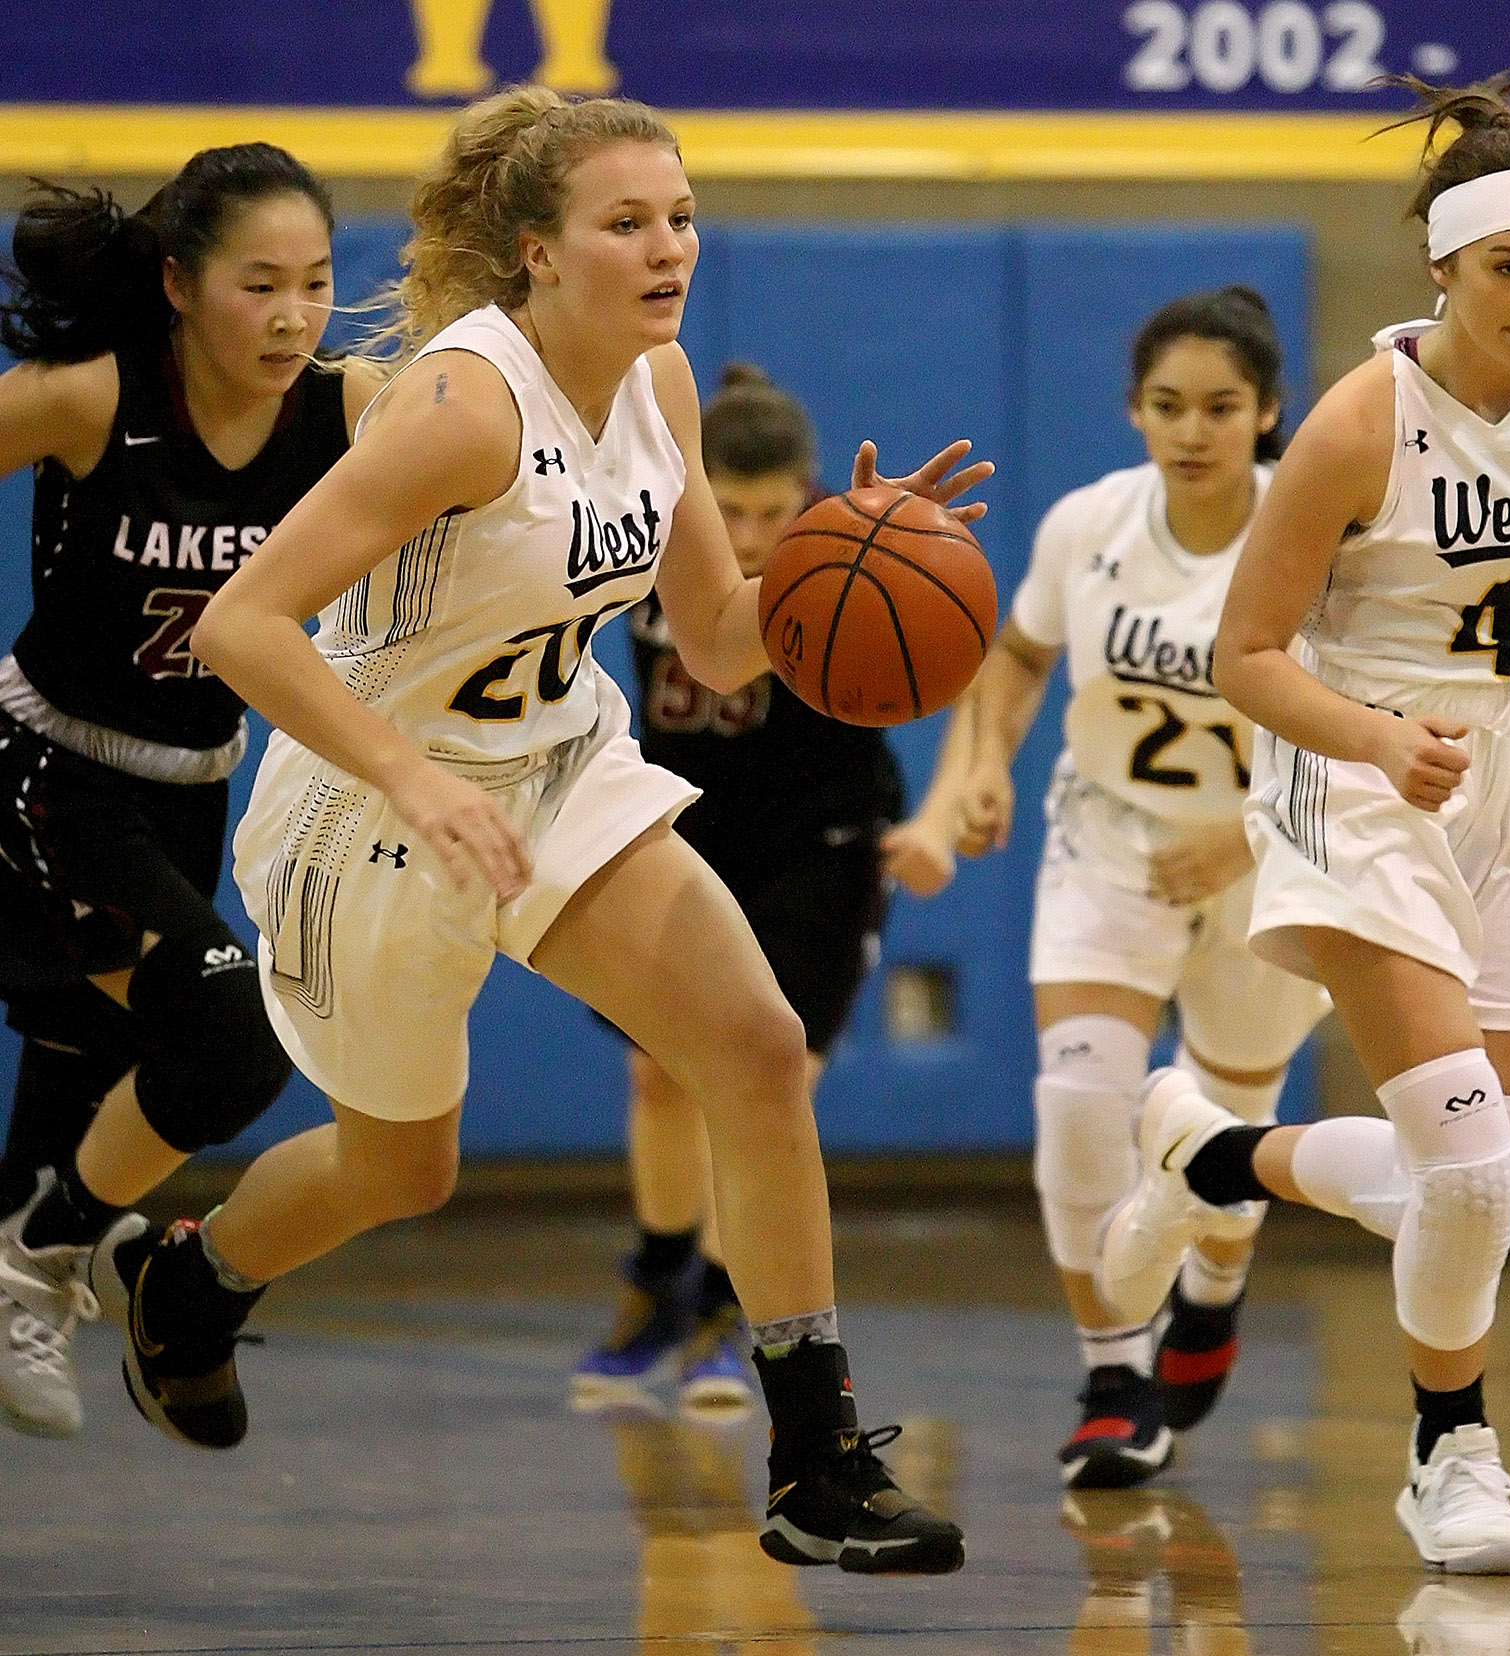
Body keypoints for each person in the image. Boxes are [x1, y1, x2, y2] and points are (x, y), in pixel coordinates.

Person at [115, 88, 985, 1577]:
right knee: (405, 1172)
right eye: (628, 222)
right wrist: (414, 779)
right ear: (536, 250)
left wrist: (847, 559)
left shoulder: (662, 384)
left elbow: (712, 638)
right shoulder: (462, 407)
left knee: (760, 1050)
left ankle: (815, 1460)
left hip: (556, 763)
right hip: (373, 806)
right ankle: (193, 1285)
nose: (670, 249)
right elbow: (246, 626)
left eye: (684, 217)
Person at [1096, 69, 1510, 1574]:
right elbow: (1245, 657)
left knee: (1460, 1183)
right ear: (1441, 262)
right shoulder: (1363, 425)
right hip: (1356, 773)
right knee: (1471, 1173)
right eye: (1508, 269)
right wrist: (1373, 738)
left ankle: (1209, 1157)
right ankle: (1451, 1455)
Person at [886, 288, 1328, 1488]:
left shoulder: (1314, 533)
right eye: (1169, 406)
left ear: (1268, 411)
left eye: (1222, 408)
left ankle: (1215, 1287)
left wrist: (1248, 834)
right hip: (1110, 835)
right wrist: (979, 767)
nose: (1193, 431)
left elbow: (1367, 717)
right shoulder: (1090, 524)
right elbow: (1019, 652)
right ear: (1135, 410)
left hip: (1273, 852)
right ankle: (1110, 1376)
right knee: (1081, 1101)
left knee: (1231, 1142)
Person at [0, 146, 382, 1437]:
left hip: (191, 787)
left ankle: (33, 1266)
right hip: (45, 770)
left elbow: (514, 444)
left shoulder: (350, 411)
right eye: (258, 284)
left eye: (317, 284)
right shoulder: (91, 398)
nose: (291, 315)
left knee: (87, 1048)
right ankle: (67, 1247)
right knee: (231, 1032)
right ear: (177, 283)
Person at [572, 362, 902, 1413]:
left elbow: (960, 655)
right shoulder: (649, 534)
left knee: (772, 1078)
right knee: (659, 1079)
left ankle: (727, 1308)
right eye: (735, 509)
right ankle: (658, 1277)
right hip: (689, 825)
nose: (755, 534)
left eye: (774, 510)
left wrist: (950, 805)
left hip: (822, 840)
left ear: (807, 490)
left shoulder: (845, 554)